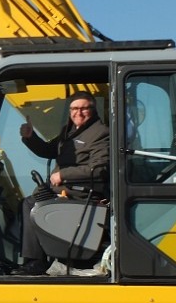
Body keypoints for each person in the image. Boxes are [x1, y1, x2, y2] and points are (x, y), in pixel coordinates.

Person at [14, 91, 109, 274]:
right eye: (74, 108)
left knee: (31, 204)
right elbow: (49, 150)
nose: (78, 113)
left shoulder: (100, 133)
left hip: (81, 193)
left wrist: (64, 175)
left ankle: (35, 262)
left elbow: (99, 169)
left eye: (83, 108)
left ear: (93, 109)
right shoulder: (69, 131)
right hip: (64, 189)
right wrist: (30, 137)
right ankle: (36, 259)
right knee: (28, 202)